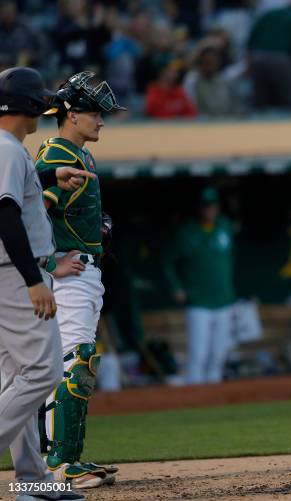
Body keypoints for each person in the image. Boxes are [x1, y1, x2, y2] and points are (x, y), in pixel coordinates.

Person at [0, 65, 94, 501]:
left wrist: (47, 177)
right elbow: (4, 215)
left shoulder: (12, 150)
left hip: (11, 274)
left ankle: (33, 485)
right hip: (16, 275)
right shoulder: (6, 147)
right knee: (43, 372)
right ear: (23, 105)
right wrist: (34, 279)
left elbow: (16, 193)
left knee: (17, 377)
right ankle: (32, 485)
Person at [36, 71, 124, 489]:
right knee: (78, 360)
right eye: (94, 113)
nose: (101, 121)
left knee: (62, 364)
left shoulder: (80, 154)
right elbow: (27, 213)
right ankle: (62, 464)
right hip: (67, 276)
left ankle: (49, 463)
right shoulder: (56, 155)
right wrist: (51, 263)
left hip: (83, 271)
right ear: (70, 114)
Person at [163, 188, 236, 384]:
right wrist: (176, 287)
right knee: (199, 353)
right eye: (205, 207)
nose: (208, 211)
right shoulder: (186, 232)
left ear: (217, 208)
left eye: (211, 206)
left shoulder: (225, 226)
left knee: (219, 354)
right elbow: (167, 263)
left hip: (224, 299)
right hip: (198, 301)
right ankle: (194, 396)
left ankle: (214, 398)